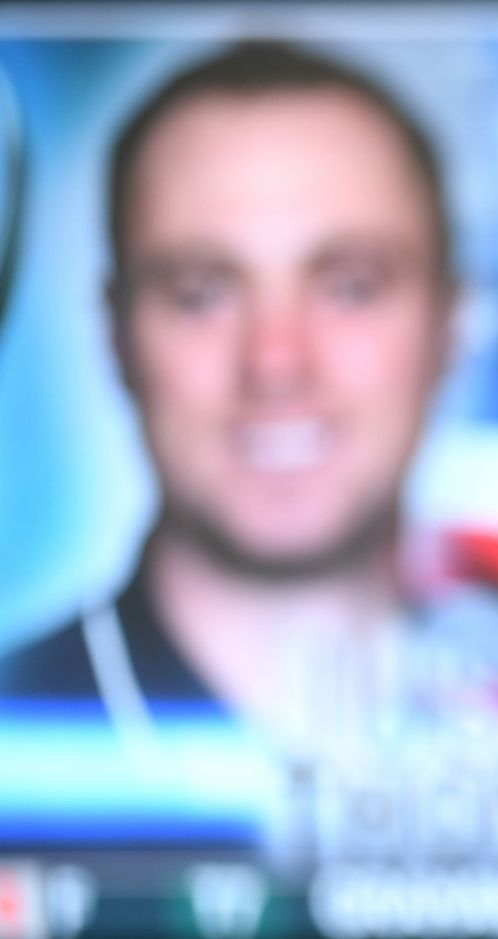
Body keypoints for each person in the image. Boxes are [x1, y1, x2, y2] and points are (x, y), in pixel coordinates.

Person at [0, 39, 454, 746]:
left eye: (351, 286)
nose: (276, 362)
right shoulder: (16, 733)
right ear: (116, 332)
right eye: (200, 294)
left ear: (448, 323)